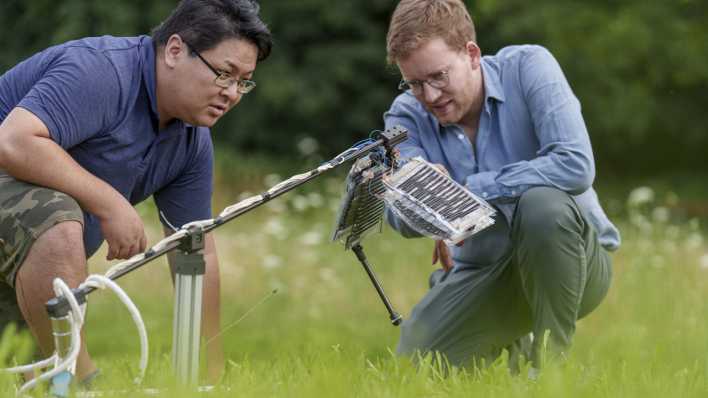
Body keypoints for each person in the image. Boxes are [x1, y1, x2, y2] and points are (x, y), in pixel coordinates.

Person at [0, 0, 272, 384]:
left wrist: (209, 376)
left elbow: (194, 251)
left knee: (22, 376)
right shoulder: (100, 72)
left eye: (243, 82)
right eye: (223, 74)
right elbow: (13, 142)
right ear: (175, 50)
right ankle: (80, 384)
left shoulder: (191, 142)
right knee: (57, 220)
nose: (232, 94)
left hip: (19, 275)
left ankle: (57, 378)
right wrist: (111, 203)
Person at [383, 0, 620, 372]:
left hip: (575, 262)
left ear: (472, 54)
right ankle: (510, 342)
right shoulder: (405, 115)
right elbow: (400, 220)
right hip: (481, 270)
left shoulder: (529, 67)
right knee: (413, 369)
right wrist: (420, 204)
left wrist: (464, 190)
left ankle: (549, 370)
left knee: (542, 204)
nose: (429, 96)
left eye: (438, 77)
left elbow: (575, 165)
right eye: (414, 83)